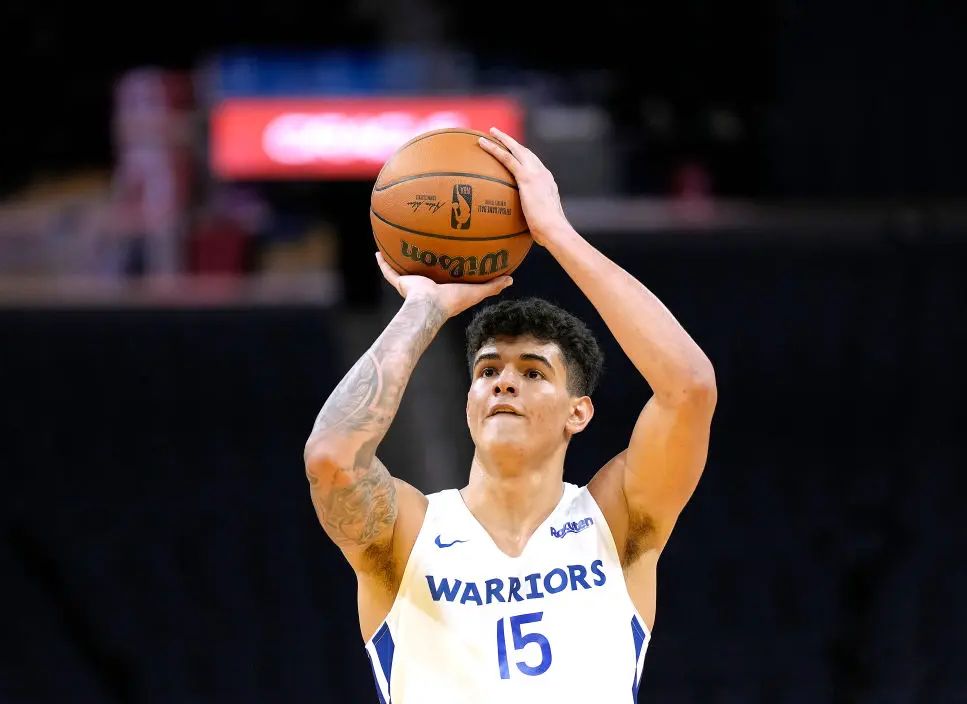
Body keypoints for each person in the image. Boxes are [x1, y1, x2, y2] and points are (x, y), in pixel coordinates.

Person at [303, 128, 718, 703]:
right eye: (488, 370)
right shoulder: (409, 534)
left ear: (579, 412)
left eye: (533, 372)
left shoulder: (616, 522)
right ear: (468, 404)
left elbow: (690, 388)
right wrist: (422, 308)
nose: (504, 381)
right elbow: (331, 458)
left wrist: (558, 235)